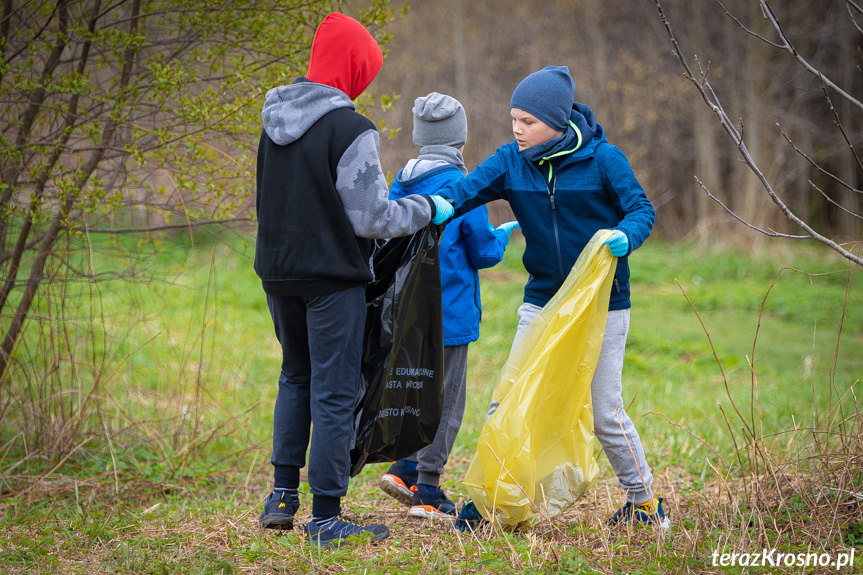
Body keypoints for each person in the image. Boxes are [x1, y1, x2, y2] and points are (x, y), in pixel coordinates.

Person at [428, 65, 668, 529]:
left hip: (603, 303)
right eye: (513, 119)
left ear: (557, 122)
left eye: (528, 122)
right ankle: (486, 503)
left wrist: (625, 235)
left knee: (605, 413)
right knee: (508, 401)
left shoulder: (604, 159)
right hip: (541, 300)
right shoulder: (511, 161)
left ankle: (645, 505)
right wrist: (438, 205)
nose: (517, 130)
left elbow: (642, 208)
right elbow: (466, 190)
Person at [253, 13, 451, 547]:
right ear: (354, 68)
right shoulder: (351, 129)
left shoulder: (273, 124)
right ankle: (325, 518)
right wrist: (428, 207)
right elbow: (373, 218)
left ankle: (281, 498)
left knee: (296, 376)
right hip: (331, 278)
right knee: (337, 391)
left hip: (278, 272)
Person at [378, 93, 519, 519]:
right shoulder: (464, 185)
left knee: (415, 389)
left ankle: (404, 467)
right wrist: (503, 234)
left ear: (421, 136)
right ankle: (429, 491)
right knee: (447, 402)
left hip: (406, 314)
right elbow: (482, 251)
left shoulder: (401, 180)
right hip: (451, 316)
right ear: (459, 138)